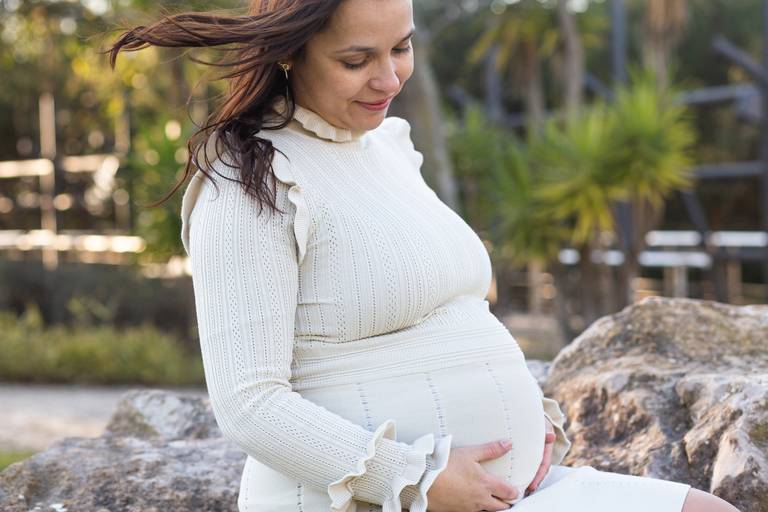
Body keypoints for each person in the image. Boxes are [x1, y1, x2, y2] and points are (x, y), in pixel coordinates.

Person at [107, 1, 741, 511]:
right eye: (357, 60)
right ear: (290, 56)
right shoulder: (248, 177)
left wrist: (534, 420)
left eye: (401, 47)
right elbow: (248, 404)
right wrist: (415, 478)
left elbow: (450, 310)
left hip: (504, 492)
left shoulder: (388, 145)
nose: (388, 79)